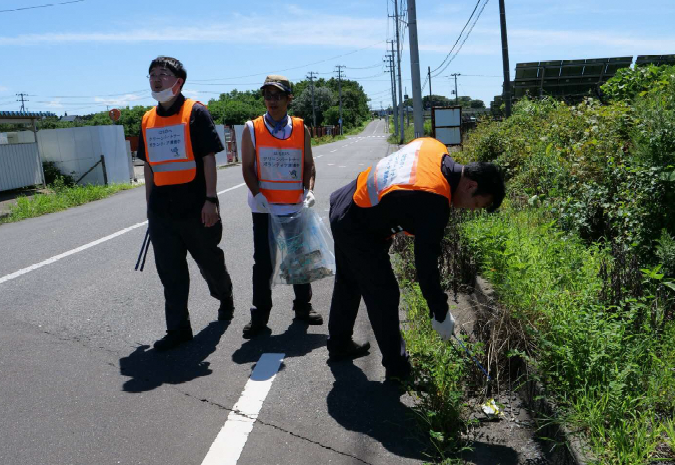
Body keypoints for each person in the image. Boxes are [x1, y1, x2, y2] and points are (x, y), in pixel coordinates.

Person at [326, 137, 505, 381]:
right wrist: (440, 312)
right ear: (471, 185)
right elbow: (426, 266)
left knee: (349, 280)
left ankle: (339, 344)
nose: (471, 209)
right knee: (384, 292)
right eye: (476, 203)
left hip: (347, 201)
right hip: (357, 223)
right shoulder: (434, 198)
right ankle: (398, 370)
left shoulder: (435, 148)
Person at [138, 56, 234, 351]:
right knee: (170, 272)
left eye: (163, 74)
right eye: (152, 74)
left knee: (209, 263)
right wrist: (149, 209)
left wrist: (211, 200)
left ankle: (225, 296)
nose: (156, 79)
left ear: (178, 82)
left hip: (195, 207)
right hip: (162, 213)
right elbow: (149, 166)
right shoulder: (147, 119)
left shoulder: (196, 113)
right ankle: (178, 329)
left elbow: (208, 158)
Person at [240, 75, 322, 338]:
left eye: (277, 95)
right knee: (263, 262)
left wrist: (309, 190)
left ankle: (303, 307)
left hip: (294, 207)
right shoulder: (252, 128)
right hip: (264, 209)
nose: (271, 100)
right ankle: (260, 316)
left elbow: (309, 164)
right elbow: (247, 167)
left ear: (289, 98)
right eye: (267, 95)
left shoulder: (301, 128)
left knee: (299, 257)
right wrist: (257, 193)